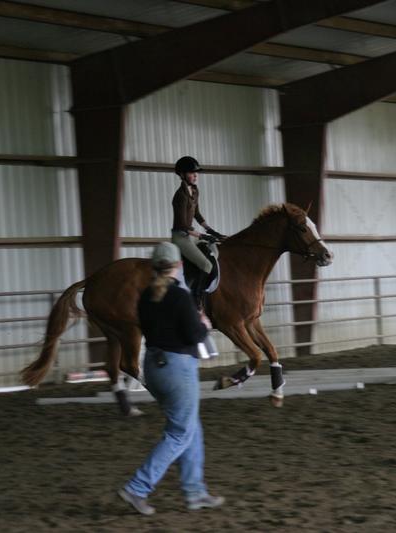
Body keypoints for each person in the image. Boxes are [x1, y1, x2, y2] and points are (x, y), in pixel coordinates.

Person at [119, 242, 225, 516]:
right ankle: (137, 487)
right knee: (180, 433)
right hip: (178, 369)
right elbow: (194, 335)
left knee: (190, 428)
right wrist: (204, 325)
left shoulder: (145, 296)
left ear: (153, 266)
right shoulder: (179, 296)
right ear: (178, 265)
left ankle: (195, 492)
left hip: (154, 368)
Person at [171, 156, 226, 311]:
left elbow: (197, 214)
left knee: (214, 249)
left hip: (191, 236)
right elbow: (182, 225)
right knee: (206, 265)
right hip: (181, 237)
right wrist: (202, 236)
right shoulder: (180, 196)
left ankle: (197, 282)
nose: (195, 175)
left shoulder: (194, 191)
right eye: (191, 173)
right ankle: (196, 298)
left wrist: (211, 230)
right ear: (182, 175)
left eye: (196, 173)